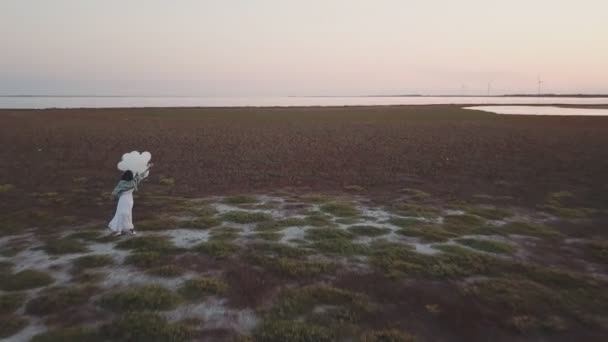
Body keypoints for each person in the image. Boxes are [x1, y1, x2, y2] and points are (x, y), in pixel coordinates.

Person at [108, 164, 153, 236]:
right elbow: (141, 176)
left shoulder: (123, 182)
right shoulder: (133, 181)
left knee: (122, 214)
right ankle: (125, 230)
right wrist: (148, 167)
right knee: (126, 214)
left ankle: (122, 230)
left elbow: (115, 191)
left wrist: (112, 196)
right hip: (128, 200)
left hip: (123, 200)